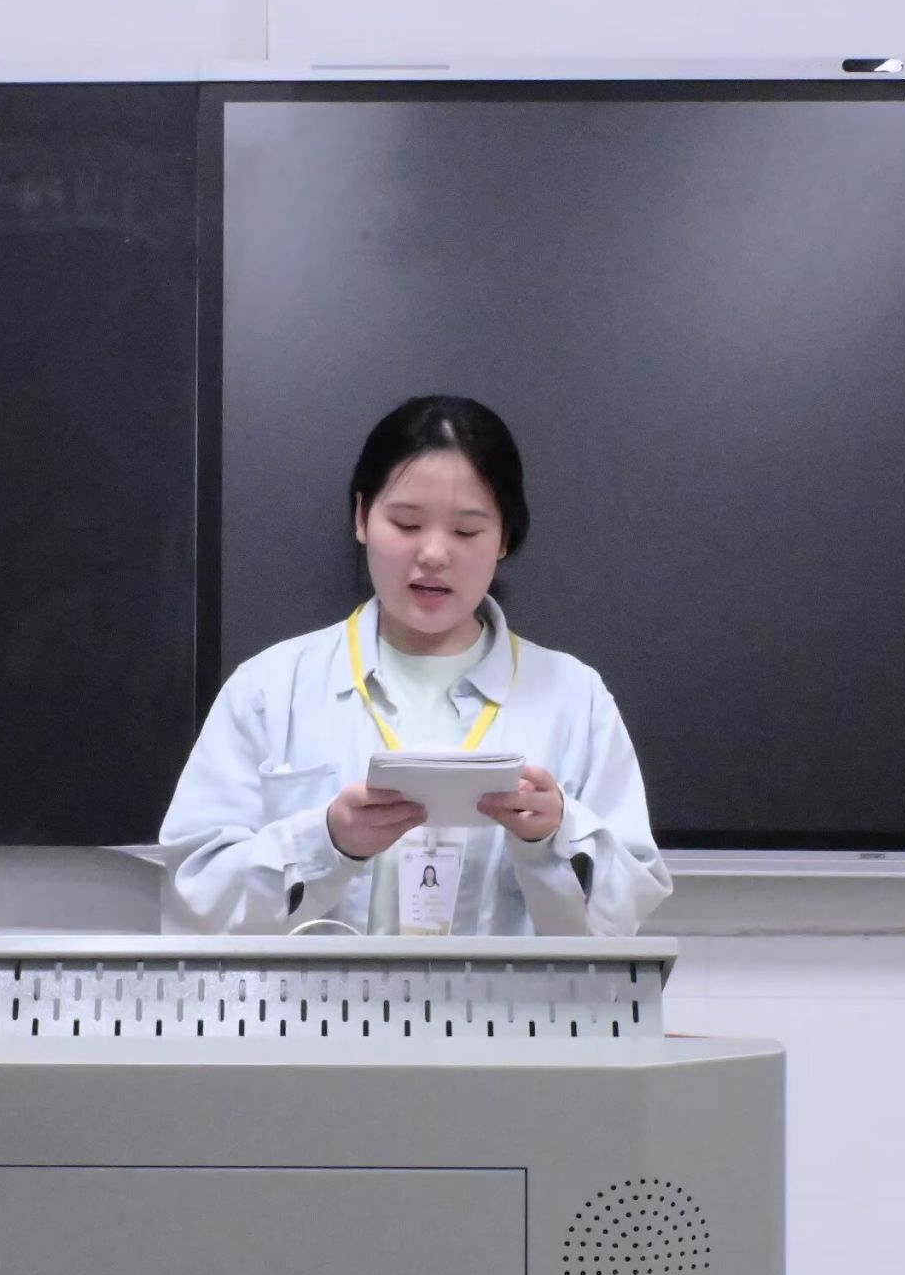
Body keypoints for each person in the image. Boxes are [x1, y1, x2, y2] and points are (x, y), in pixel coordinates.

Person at [160, 394, 670, 935]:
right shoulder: (269, 688)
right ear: (362, 517)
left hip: (505, 995)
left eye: (466, 531)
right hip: (317, 995)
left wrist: (555, 835)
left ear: (504, 538)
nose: (433, 554)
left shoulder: (575, 698)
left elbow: (624, 918)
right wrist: (325, 841)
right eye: (406, 524)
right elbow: (194, 898)